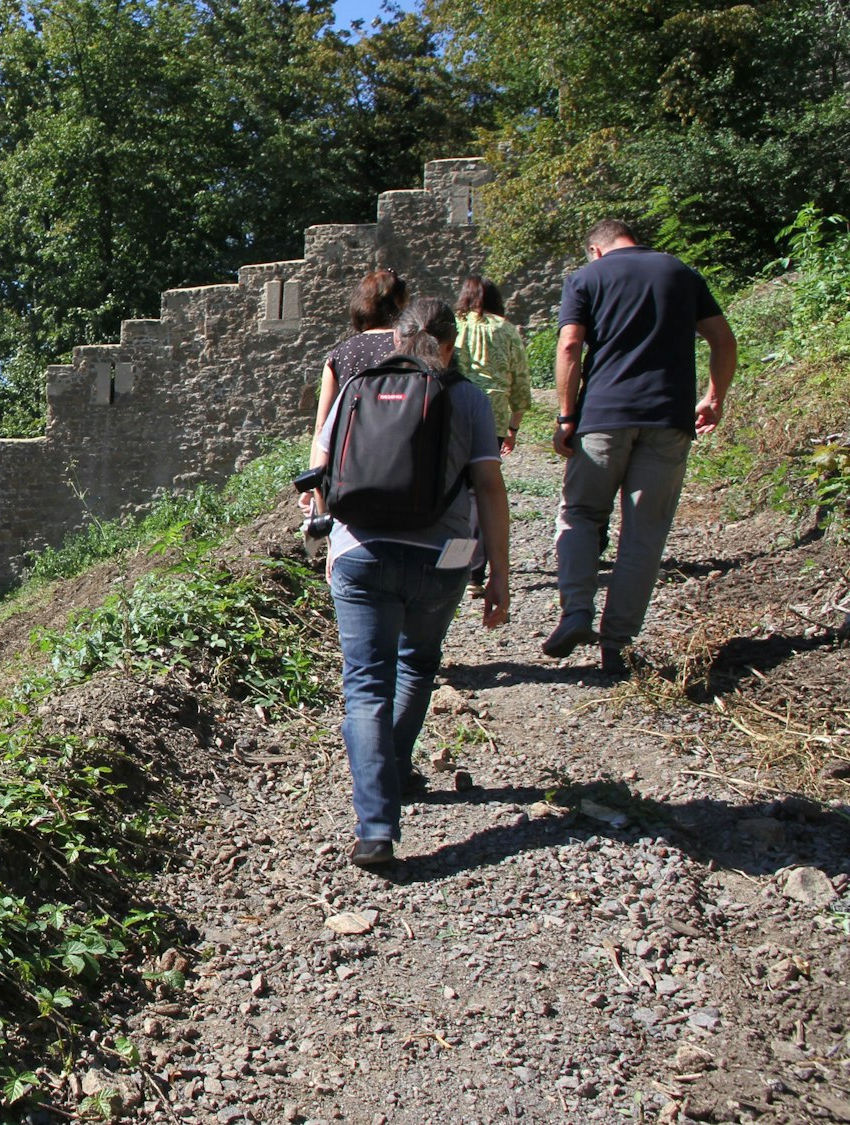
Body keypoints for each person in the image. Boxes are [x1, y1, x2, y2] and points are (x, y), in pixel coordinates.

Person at [311, 298, 512, 868]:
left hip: (360, 554)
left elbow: (320, 470)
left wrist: (328, 539)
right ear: (450, 345)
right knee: (418, 664)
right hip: (441, 559)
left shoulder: (357, 387)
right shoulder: (468, 397)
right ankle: (396, 769)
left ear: (396, 340)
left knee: (365, 686)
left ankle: (375, 826)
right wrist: (498, 572)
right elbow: (489, 488)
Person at [544, 220, 738, 672]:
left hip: (603, 418)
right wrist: (714, 398)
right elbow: (723, 339)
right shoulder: (680, 273)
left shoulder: (586, 278)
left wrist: (566, 416)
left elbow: (570, 346)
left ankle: (576, 611)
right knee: (644, 534)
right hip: (669, 419)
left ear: (596, 250)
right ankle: (617, 644)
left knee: (581, 514)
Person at [308, 268, 410, 466]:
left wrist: (312, 477)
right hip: (402, 461)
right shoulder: (412, 347)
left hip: (352, 466)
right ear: (399, 303)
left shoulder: (339, 355)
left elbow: (322, 426)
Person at [454, 276, 530, 455]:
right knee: (486, 467)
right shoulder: (507, 329)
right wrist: (513, 427)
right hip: (495, 414)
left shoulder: (454, 325)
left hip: (457, 409)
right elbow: (520, 380)